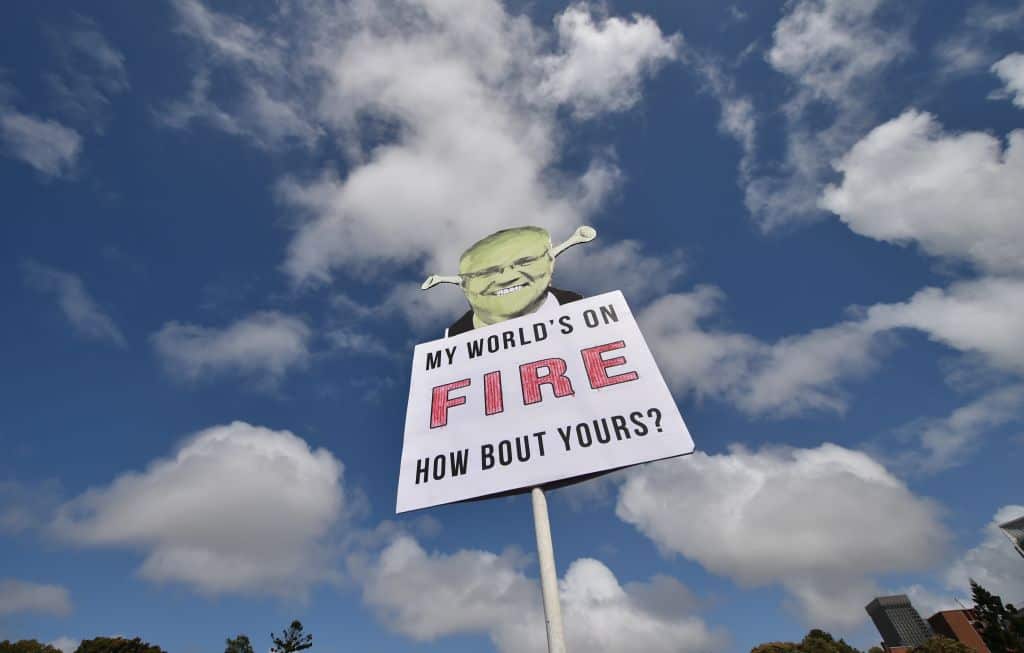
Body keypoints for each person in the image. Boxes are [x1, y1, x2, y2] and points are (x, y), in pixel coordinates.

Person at [445, 226, 583, 336]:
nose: (506, 278)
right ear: (465, 286)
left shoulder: (582, 313)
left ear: (550, 262)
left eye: (525, 262)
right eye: (485, 273)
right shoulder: (452, 342)